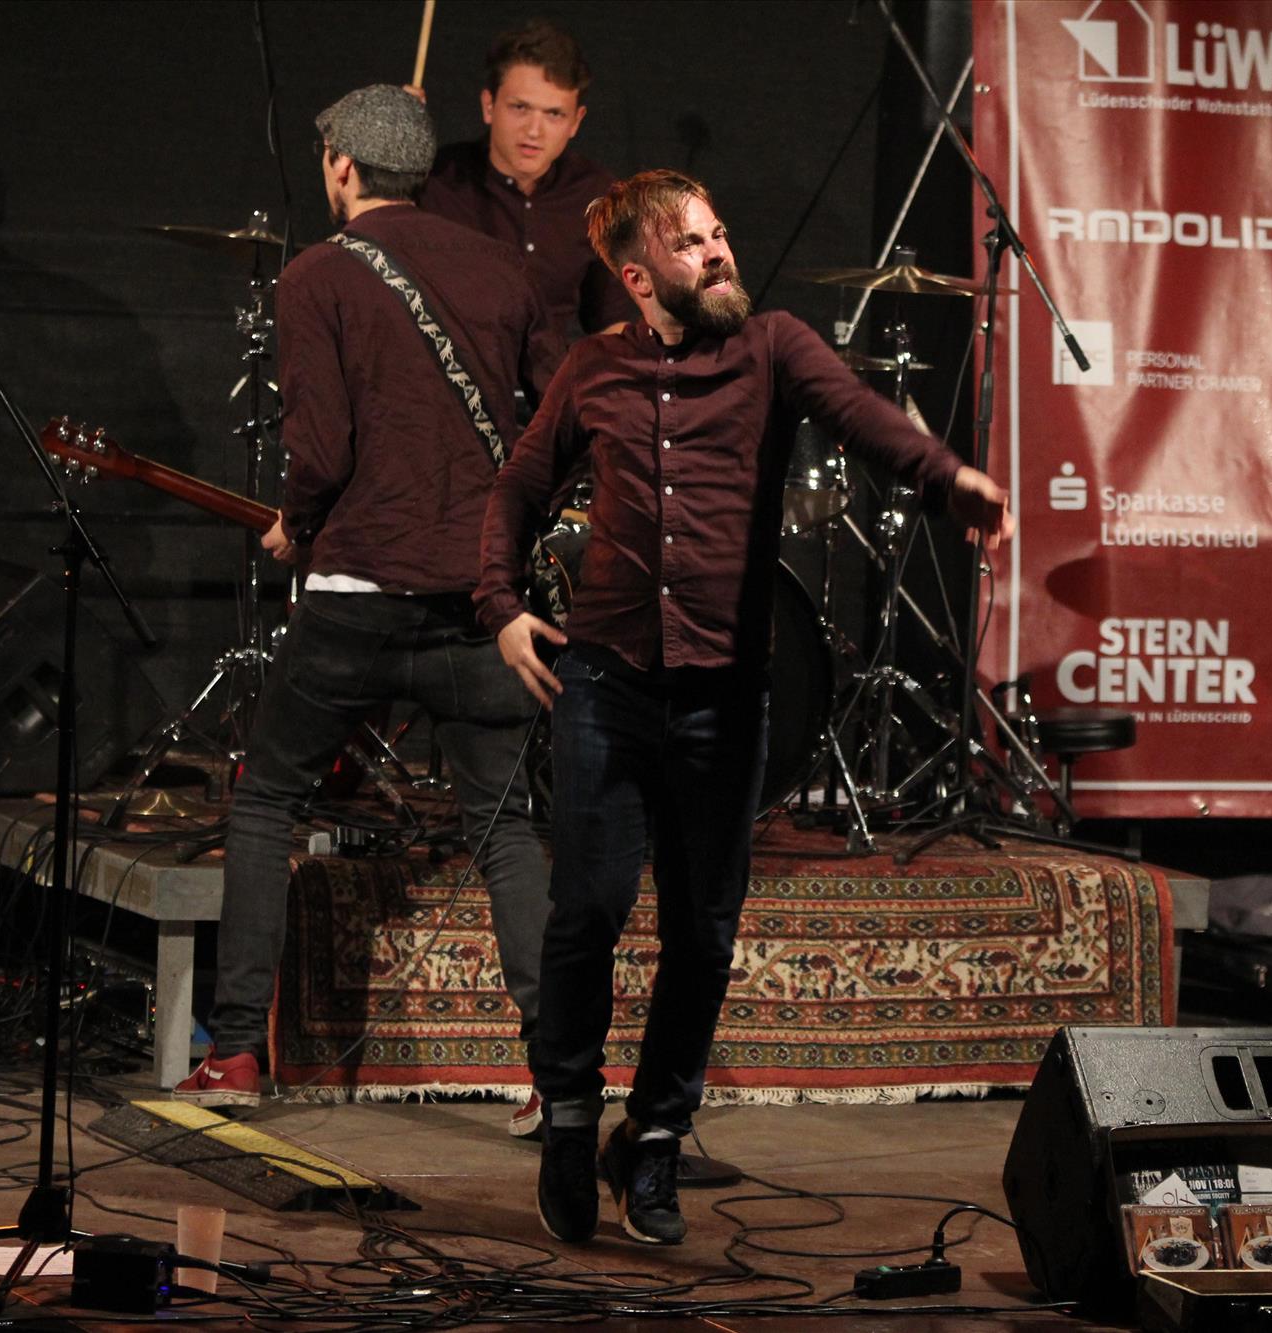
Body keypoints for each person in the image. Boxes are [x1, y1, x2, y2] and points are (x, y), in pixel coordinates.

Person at [476, 169, 1015, 1245]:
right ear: (639, 277)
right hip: (605, 682)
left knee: (704, 929)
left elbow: (866, 420)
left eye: (718, 231)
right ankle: (571, 1117)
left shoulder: (773, 346)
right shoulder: (593, 368)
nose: (719, 251)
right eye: (690, 243)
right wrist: (499, 605)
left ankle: (653, 1136)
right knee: (586, 909)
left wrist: (948, 477)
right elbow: (518, 489)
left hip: (723, 693)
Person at [174, 86, 565, 1137]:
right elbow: (559, 426)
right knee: (503, 827)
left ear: (342, 166)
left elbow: (324, 449)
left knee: (267, 800)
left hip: (355, 596)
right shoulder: (505, 269)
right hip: (478, 599)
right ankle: (556, 1077)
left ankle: (234, 1053)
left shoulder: (316, 275)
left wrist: (295, 524)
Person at [416, 18, 632, 340]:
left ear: (576, 122)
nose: (534, 131)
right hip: (447, 367)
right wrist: (388, 142)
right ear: (489, 106)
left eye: (554, 114)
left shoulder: (596, 193)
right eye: (520, 108)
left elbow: (612, 323)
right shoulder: (433, 180)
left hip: (556, 372)